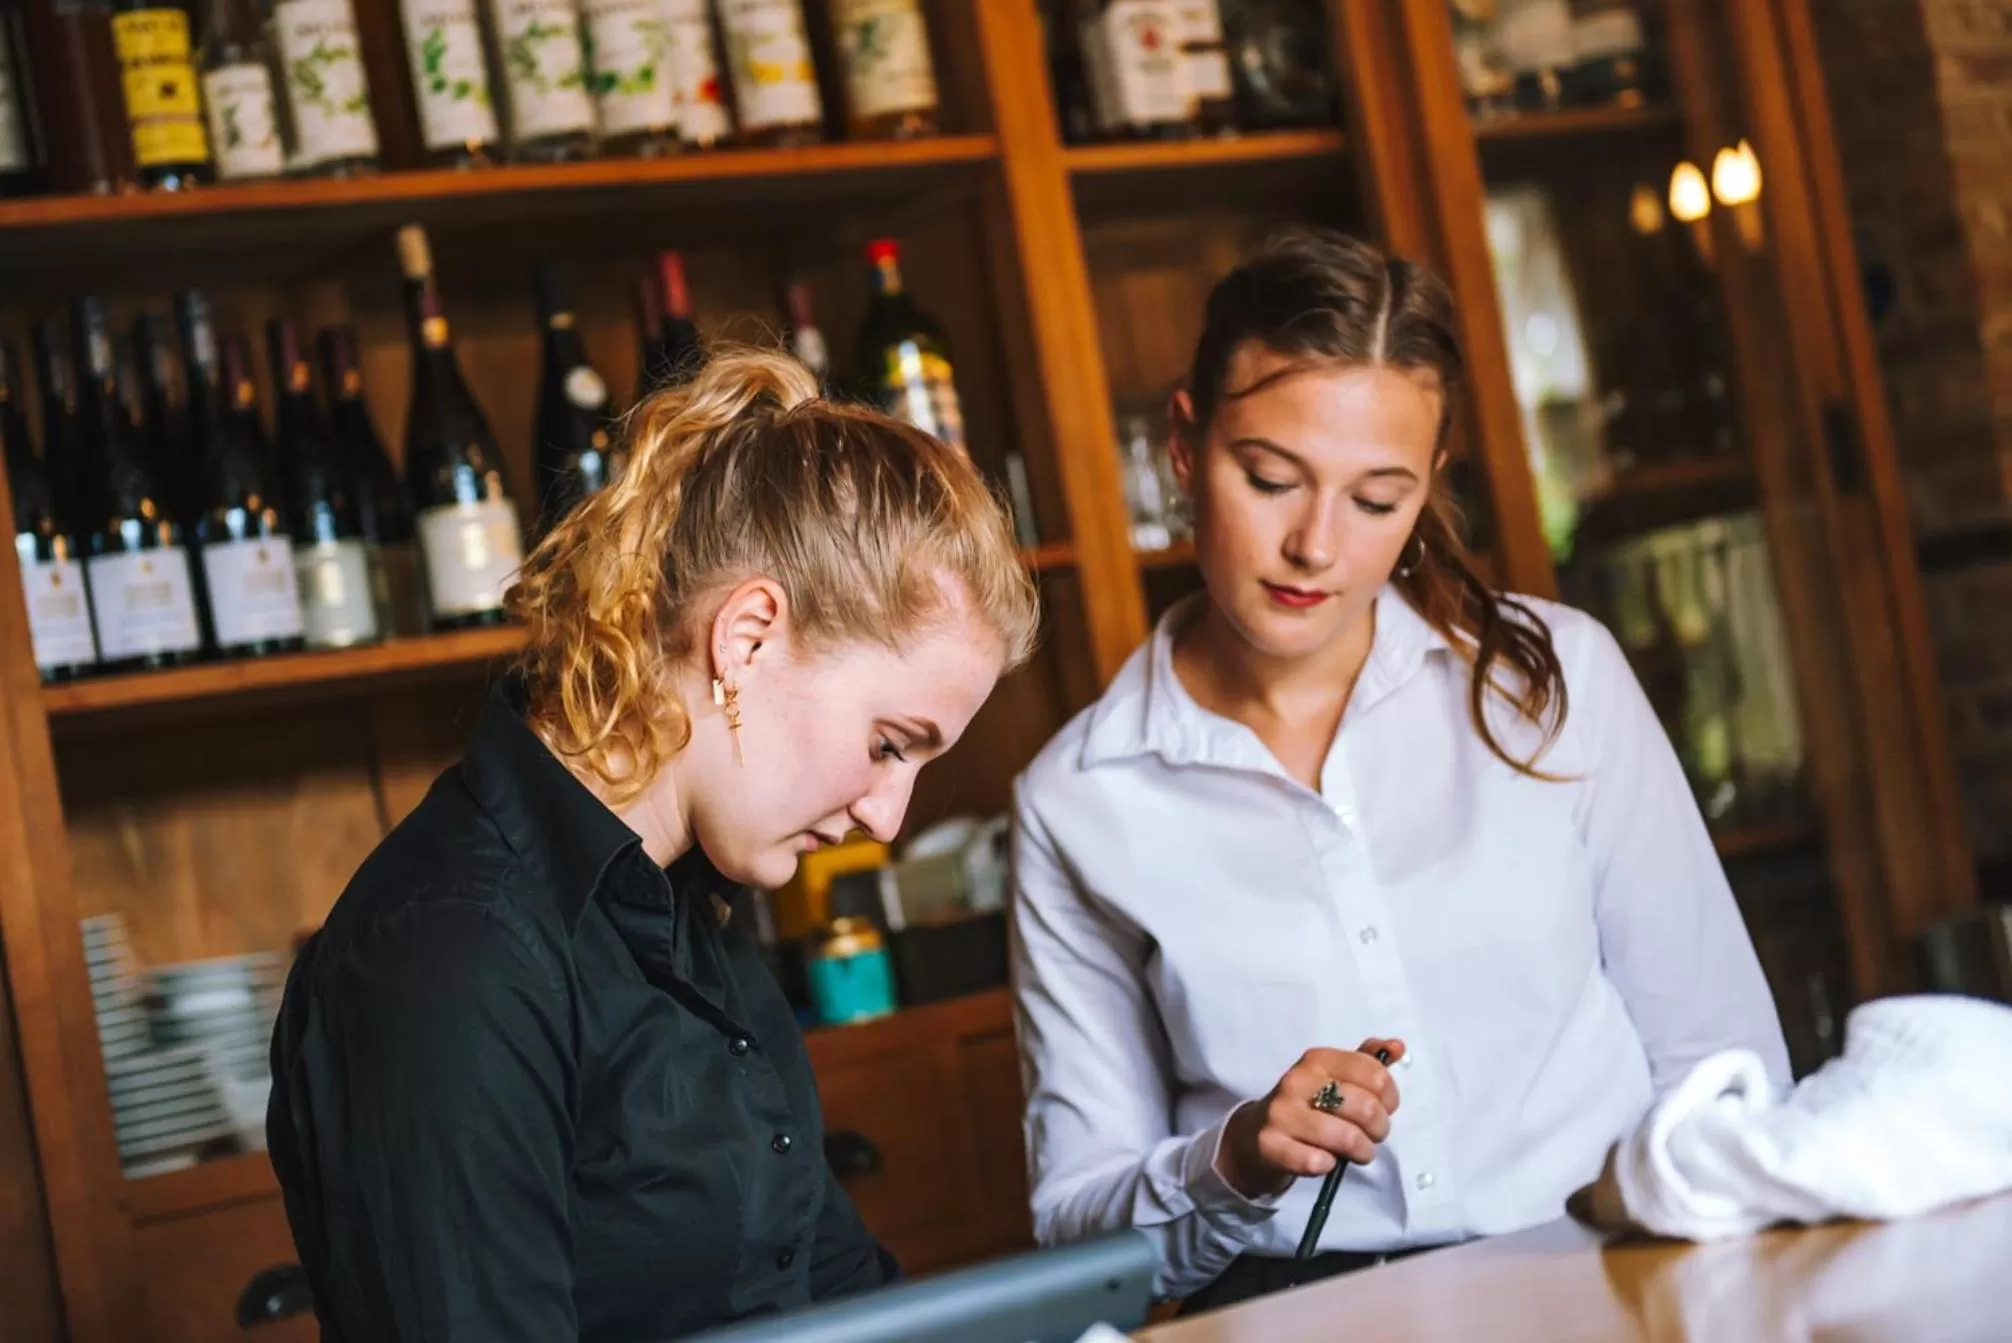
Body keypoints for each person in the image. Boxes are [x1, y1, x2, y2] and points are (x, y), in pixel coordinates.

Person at [1008, 227, 1790, 1313]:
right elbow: (1078, 1228)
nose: (1315, 545)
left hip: (1613, 1280)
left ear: (1427, 488)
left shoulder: (1553, 681)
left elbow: (1720, 1066)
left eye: (1375, 500)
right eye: (1270, 477)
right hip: (1293, 1314)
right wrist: (1234, 1157)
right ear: (1184, 448)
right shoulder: (1078, 799)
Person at [267, 348, 1040, 1342]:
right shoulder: (448, 957)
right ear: (747, 636)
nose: (887, 817)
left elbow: (835, 1294)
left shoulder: (691, 896)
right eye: (888, 744)